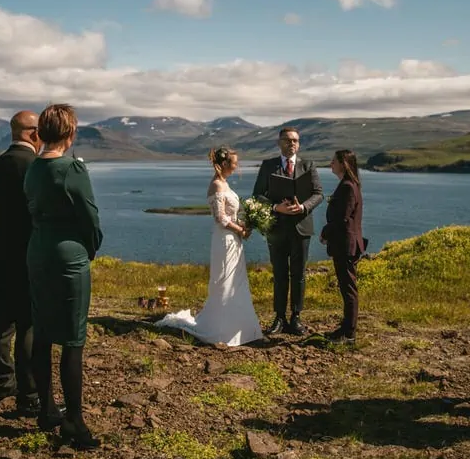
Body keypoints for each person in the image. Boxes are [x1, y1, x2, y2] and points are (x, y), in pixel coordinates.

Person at [24, 104, 103, 449]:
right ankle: (74, 420)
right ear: (71, 135)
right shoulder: (72, 169)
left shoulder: (33, 168)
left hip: (37, 252)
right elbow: (90, 217)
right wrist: (91, 248)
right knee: (73, 338)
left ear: (41, 134)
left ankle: (46, 408)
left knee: (41, 332)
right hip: (69, 257)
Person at [155, 147, 265, 346]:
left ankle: (240, 327)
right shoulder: (216, 185)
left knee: (235, 281)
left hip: (234, 239)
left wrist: (243, 226)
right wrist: (239, 230)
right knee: (223, 280)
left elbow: (229, 215)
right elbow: (220, 217)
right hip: (225, 239)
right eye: (234, 163)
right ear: (224, 164)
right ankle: (220, 328)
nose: (237, 166)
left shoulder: (224, 183)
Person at [0, 110, 42, 414]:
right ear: (34, 134)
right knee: (28, 325)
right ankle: (28, 395)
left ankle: (4, 385)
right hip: (30, 258)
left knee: (1, 324)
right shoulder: (38, 168)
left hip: (0, 256)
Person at [252, 126, 324, 335]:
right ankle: (279, 318)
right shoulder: (268, 166)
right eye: (287, 140)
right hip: (276, 228)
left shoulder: (308, 165)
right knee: (280, 274)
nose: (291, 144)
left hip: (301, 228)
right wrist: (276, 207)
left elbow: (318, 194)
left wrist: (302, 207)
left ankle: (296, 318)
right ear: (279, 143)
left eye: (295, 141)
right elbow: (257, 194)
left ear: (298, 144)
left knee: (299, 274)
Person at [319, 149, 367, 343]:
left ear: (343, 164)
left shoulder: (347, 186)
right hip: (346, 243)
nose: (330, 164)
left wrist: (325, 233)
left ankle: (349, 333)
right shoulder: (351, 184)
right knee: (347, 287)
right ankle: (347, 328)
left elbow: (342, 219)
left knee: (348, 288)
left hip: (345, 245)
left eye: (333, 161)